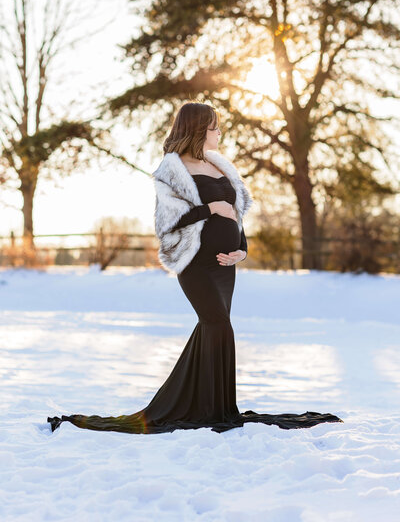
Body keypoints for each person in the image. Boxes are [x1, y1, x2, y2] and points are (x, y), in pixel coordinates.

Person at [47, 102, 343, 434]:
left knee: (212, 328)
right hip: (196, 264)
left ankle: (209, 406)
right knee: (217, 325)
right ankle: (210, 409)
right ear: (199, 130)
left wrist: (241, 251)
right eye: (215, 127)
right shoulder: (172, 171)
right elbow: (167, 222)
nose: (220, 133)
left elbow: (236, 215)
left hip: (225, 267)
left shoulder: (221, 167)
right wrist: (209, 208)